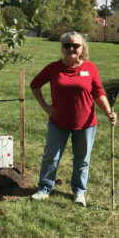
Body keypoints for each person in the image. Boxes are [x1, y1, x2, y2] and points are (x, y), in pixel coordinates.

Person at [30, 31, 117, 207]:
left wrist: (108, 110)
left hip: (86, 123)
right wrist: (45, 106)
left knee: (82, 159)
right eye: (67, 45)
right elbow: (35, 85)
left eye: (75, 45)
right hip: (58, 122)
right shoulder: (54, 68)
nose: (71, 48)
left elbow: (98, 92)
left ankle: (79, 192)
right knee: (51, 157)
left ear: (82, 47)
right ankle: (45, 188)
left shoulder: (90, 68)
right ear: (62, 48)